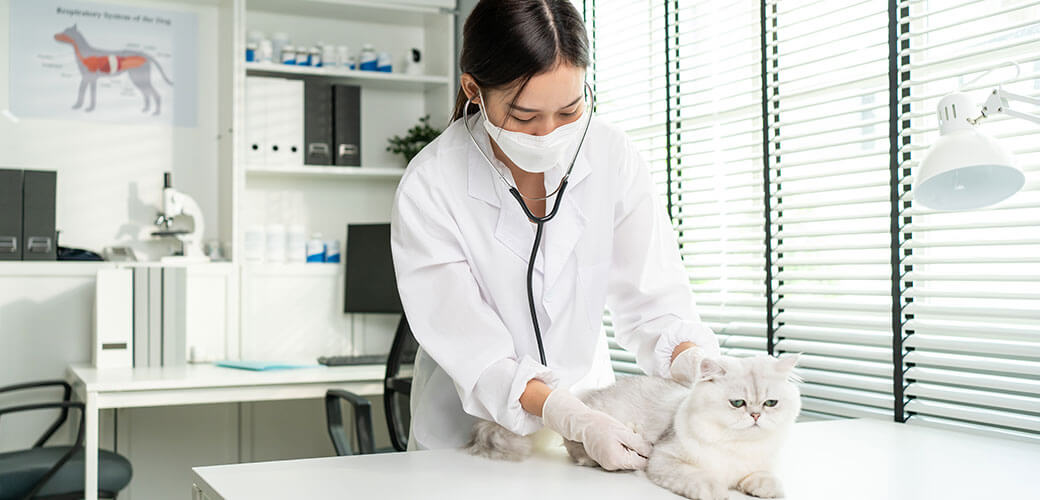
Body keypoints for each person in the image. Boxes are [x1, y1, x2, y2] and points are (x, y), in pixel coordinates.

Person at [390, 0, 721, 470]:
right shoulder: (431, 184)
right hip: (470, 437)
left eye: (569, 110)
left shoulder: (612, 155)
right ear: (474, 91)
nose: (548, 134)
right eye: (524, 117)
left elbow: (656, 305)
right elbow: (474, 350)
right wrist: (566, 414)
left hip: (598, 426)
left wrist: (698, 365)